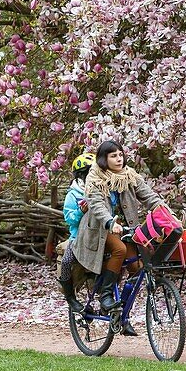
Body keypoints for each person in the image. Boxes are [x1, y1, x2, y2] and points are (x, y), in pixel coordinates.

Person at [74, 140, 177, 335]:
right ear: (104, 159)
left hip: (127, 229)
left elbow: (149, 196)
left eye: (120, 154)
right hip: (101, 229)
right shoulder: (94, 178)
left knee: (137, 269)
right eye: (113, 156)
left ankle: (121, 313)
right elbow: (96, 206)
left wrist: (166, 212)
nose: (118, 159)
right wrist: (110, 223)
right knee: (119, 250)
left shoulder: (129, 176)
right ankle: (105, 295)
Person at [57, 152, 94, 313]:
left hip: (99, 235)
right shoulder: (73, 194)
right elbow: (69, 219)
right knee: (67, 261)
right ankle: (70, 296)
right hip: (78, 237)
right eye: (90, 173)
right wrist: (81, 211)